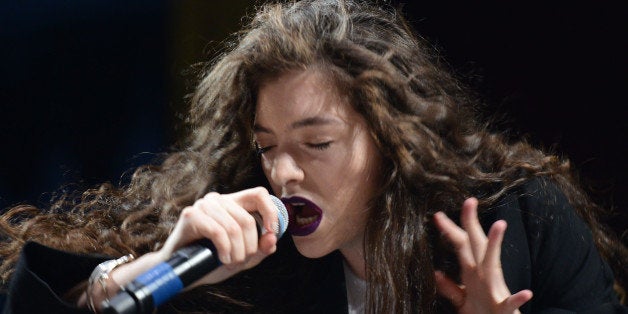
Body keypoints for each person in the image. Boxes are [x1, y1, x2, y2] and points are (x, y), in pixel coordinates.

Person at [0, 0, 626, 313]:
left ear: (391, 138)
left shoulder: (522, 219)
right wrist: (154, 267)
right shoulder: (247, 254)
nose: (284, 172)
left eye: (317, 144)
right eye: (268, 146)